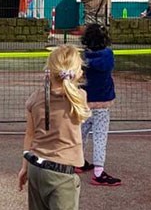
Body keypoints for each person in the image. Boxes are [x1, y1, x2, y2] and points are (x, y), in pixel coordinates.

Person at [18, 45, 91, 210]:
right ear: (76, 72)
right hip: (62, 175)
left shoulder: (35, 98)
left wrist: (24, 167)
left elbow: (29, 135)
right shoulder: (79, 98)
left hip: (36, 168)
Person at [75, 24, 122, 186]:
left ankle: (77, 162)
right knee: (100, 137)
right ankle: (98, 173)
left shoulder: (82, 57)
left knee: (80, 134)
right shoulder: (108, 55)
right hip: (102, 104)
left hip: (84, 102)